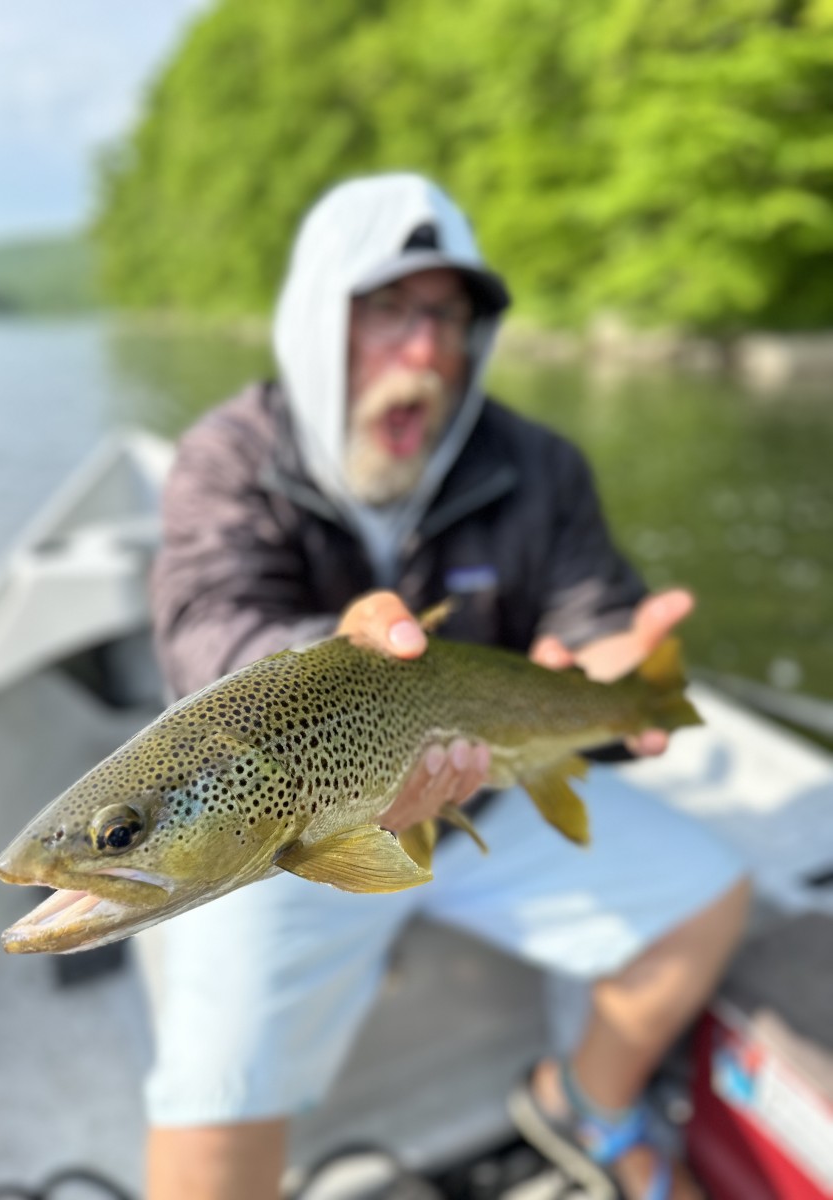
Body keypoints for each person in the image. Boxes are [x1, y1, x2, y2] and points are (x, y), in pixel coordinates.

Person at [143, 173, 750, 1200]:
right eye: (388, 310)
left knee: (711, 899)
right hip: (283, 832)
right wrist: (322, 668)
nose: (424, 351)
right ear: (317, 318)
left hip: (491, 786)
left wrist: (614, 683)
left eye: (449, 316)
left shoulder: (540, 464)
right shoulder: (227, 460)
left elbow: (591, 613)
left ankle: (585, 1104)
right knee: (208, 1106)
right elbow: (208, 630)